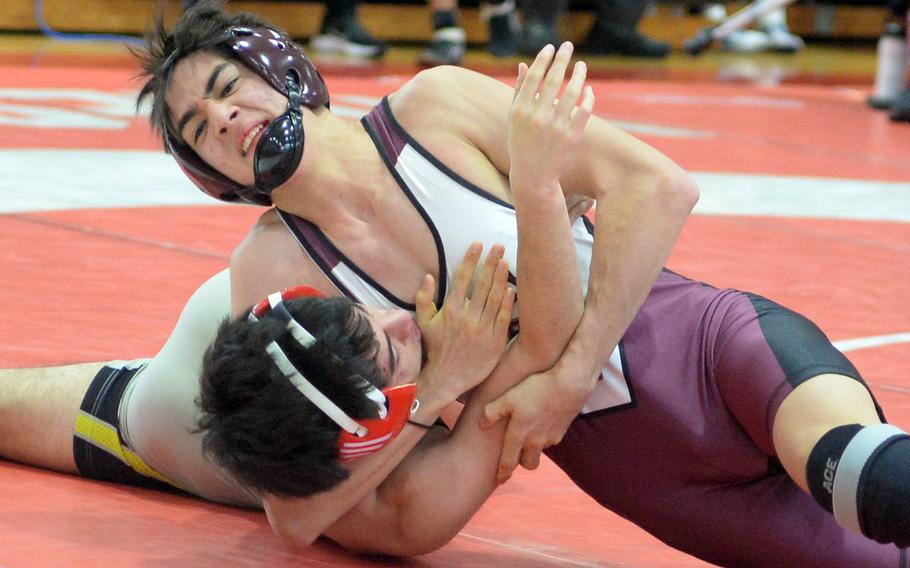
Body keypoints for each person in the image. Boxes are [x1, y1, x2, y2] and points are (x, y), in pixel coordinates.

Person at [8, 1, 907, 564]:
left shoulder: (434, 108)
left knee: (864, 476)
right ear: (206, 172)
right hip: (635, 468)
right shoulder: (273, 270)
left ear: (279, 65)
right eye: (199, 128)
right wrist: (437, 386)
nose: (226, 121)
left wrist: (561, 375)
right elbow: (298, 506)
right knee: (119, 413)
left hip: (710, 340)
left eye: (225, 89)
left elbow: (659, 187)